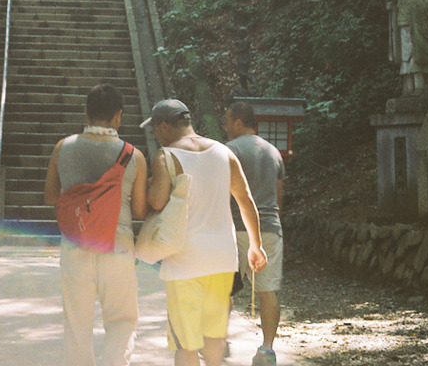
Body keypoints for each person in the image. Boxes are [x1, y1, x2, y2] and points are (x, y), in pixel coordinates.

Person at [142, 98, 267, 366]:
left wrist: (148, 184)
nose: (154, 134)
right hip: (223, 259)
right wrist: (256, 245)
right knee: (214, 339)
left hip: (184, 261)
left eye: (154, 128)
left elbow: (156, 201)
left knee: (186, 344)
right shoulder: (224, 152)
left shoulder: (167, 156)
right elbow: (246, 200)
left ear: (164, 126)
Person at [45, 84, 148, 366]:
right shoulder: (133, 156)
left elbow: (51, 196)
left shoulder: (61, 148)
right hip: (118, 246)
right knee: (122, 320)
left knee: (77, 324)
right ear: (118, 116)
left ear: (86, 113)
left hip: (76, 245)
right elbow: (139, 210)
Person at [223, 103, 286, 366]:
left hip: (236, 227)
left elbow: (222, 192)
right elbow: (279, 197)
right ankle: (268, 349)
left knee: (224, 289)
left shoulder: (230, 150)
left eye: (227, 121)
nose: (225, 126)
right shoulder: (273, 152)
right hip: (270, 227)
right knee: (268, 290)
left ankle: (217, 339)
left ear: (239, 122)